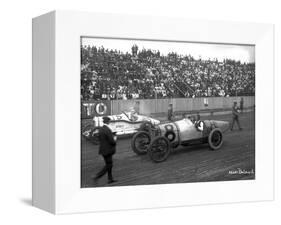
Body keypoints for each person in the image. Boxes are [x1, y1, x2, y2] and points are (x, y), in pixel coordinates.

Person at [92, 117, 117, 184]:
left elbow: (100, 138)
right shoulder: (108, 130)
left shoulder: (101, 129)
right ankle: (97, 176)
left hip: (102, 150)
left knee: (108, 164)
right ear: (108, 122)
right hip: (108, 150)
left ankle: (110, 179)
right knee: (109, 165)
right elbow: (112, 141)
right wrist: (115, 138)